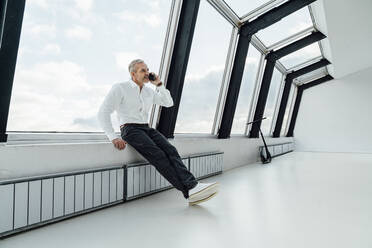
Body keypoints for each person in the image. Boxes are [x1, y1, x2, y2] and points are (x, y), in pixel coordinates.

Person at [98, 59, 219, 205]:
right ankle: (190, 189)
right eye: (143, 70)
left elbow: (169, 102)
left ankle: (191, 188)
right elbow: (103, 112)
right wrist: (112, 136)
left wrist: (159, 85)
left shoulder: (149, 91)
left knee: (171, 150)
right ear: (133, 74)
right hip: (130, 129)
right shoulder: (120, 88)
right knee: (159, 156)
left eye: (147, 69)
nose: (147, 73)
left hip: (146, 128)